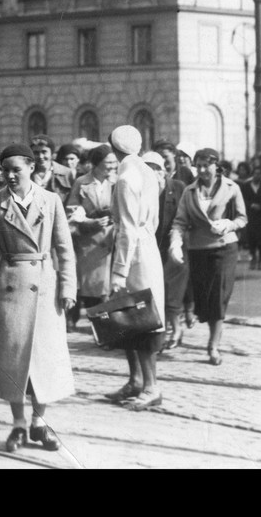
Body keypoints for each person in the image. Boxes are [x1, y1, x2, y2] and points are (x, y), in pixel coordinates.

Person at [0, 144, 76, 453]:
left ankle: (40, 423)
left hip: (45, 287)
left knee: (45, 359)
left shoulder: (51, 200)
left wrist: (68, 287)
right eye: (5, 170)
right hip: (10, 286)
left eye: (16, 169)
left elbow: (64, 248)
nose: (9, 175)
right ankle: (18, 423)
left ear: (31, 167)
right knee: (13, 359)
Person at [103, 126, 165, 410]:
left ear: (115, 149)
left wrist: (119, 272)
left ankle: (150, 385)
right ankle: (136, 380)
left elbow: (127, 228)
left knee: (140, 317)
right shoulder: (146, 171)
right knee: (132, 317)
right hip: (146, 246)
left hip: (134, 255)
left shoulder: (126, 177)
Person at [169, 148, 247, 367]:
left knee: (218, 297)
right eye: (198, 166)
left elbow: (242, 218)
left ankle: (213, 345)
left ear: (216, 166)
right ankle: (203, 327)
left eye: (206, 165)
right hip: (197, 249)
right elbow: (180, 221)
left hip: (224, 248)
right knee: (203, 297)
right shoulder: (189, 191)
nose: (202, 170)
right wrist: (176, 242)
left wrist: (229, 224)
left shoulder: (232, 188)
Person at [64, 144, 117, 332]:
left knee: (107, 287)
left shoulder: (117, 182)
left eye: (114, 162)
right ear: (95, 164)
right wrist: (88, 222)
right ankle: (84, 320)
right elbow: (72, 210)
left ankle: (104, 326)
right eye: (107, 163)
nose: (112, 166)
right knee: (87, 285)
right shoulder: (82, 182)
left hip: (111, 240)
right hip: (88, 241)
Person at [143, 150, 189, 350]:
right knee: (155, 292)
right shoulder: (142, 191)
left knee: (173, 292)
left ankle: (176, 328)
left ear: (163, 172)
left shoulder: (178, 187)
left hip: (176, 247)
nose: (153, 174)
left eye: (156, 170)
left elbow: (184, 218)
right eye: (147, 170)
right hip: (151, 248)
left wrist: (176, 243)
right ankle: (162, 334)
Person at [240, 163, 261, 270]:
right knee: (251, 239)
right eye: (255, 173)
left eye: (259, 174)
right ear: (252, 174)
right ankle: (253, 258)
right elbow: (242, 200)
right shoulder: (246, 186)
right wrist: (251, 205)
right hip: (250, 216)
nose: (257, 176)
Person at [30, 134, 74, 204]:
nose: (40, 156)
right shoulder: (27, 173)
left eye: (44, 152)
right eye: (36, 153)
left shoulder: (66, 173)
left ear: (52, 153)